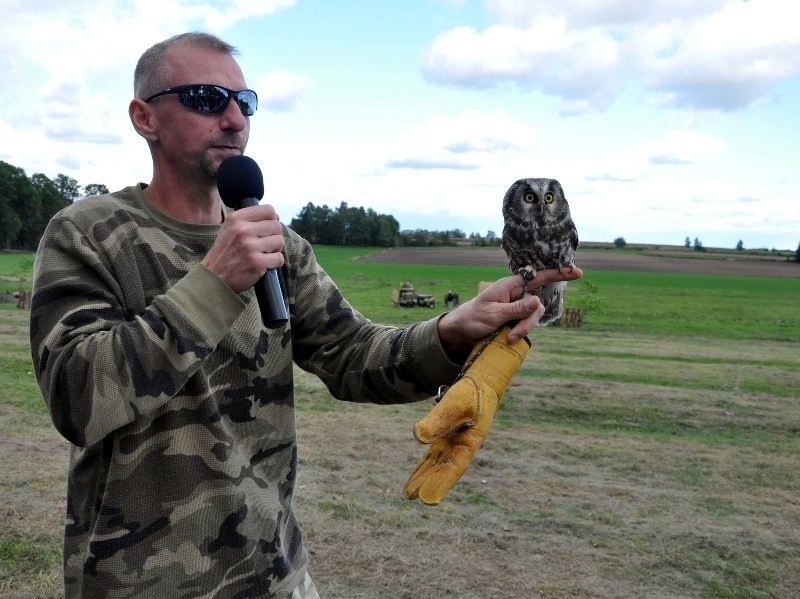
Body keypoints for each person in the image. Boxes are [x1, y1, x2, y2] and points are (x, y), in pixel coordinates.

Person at [29, 32, 582, 598]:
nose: (232, 119)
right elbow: (78, 398)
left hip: (275, 575)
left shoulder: (281, 247)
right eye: (204, 98)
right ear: (144, 118)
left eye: (245, 104)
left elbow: (354, 356)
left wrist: (450, 330)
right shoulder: (89, 234)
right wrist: (215, 283)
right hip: (143, 583)